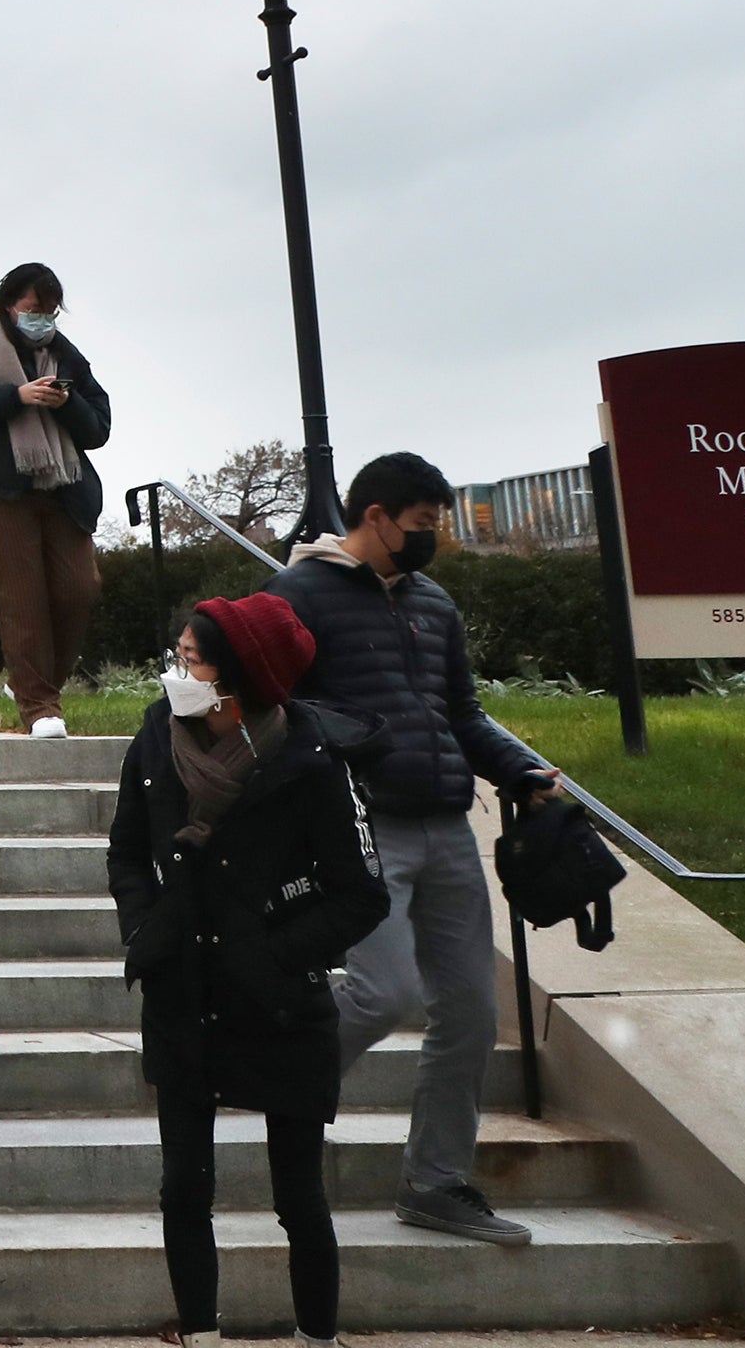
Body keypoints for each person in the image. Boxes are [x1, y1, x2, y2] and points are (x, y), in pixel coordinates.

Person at [269, 449, 559, 1246]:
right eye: (422, 525)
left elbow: (461, 712)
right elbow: (272, 713)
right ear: (375, 518)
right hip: (362, 826)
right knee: (383, 993)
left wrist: (520, 768)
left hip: (447, 825)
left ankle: (436, 1183)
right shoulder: (297, 596)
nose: (431, 538)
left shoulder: (432, 601)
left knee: (469, 1012)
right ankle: (269, 1076)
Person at [109, 593, 389, 1348]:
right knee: (185, 1187)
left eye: (193, 660)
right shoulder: (155, 742)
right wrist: (147, 928)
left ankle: (316, 1335)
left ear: (241, 681)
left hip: (281, 1007)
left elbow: (361, 895)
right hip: (182, 993)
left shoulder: (311, 764)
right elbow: (127, 853)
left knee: (300, 1195)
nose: (179, 672)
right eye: (180, 656)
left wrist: (276, 954)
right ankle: (199, 1332)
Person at [0, 263, 113, 737]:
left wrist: (66, 403)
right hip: (1, 493)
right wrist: (16, 396)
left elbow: (99, 427)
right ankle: (40, 708)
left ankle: (33, 683)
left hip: (63, 491)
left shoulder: (65, 354)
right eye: (33, 309)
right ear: (9, 304)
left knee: (80, 589)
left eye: (51, 311)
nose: (42, 319)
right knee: (22, 599)